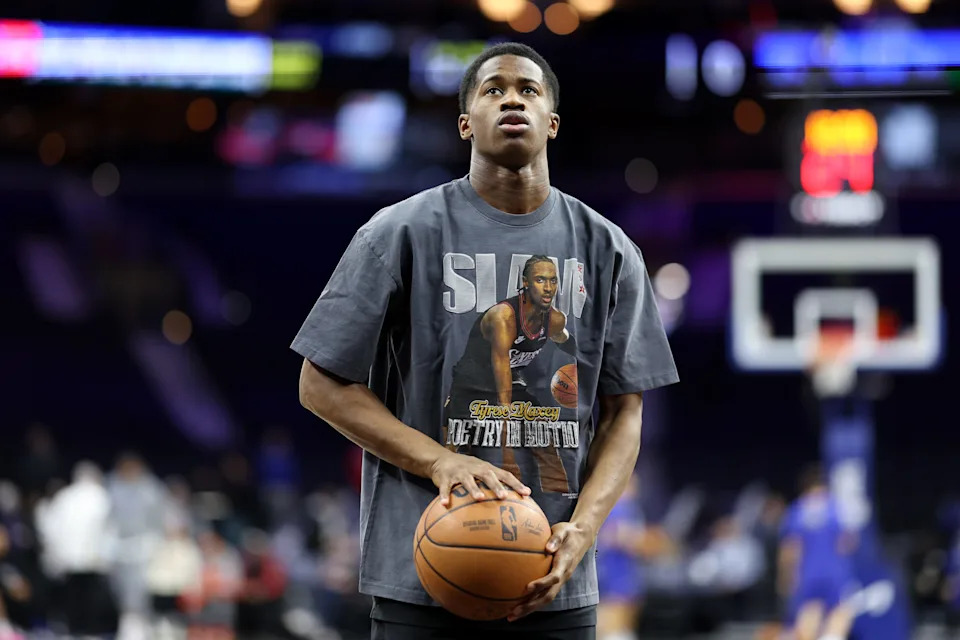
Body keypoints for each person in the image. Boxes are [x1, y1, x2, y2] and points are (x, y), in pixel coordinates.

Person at [293, 41, 679, 640]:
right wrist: (440, 460)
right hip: (425, 575)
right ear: (466, 122)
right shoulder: (399, 232)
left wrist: (586, 527)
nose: (512, 100)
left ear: (551, 122)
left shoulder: (609, 249)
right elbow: (319, 384)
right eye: (493, 90)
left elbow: (625, 413)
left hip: (553, 575)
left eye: (528, 90)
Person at [778, 465, 858, 640]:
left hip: (808, 573)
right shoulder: (836, 508)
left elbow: (791, 548)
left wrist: (786, 577)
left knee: (809, 615)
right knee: (839, 614)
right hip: (836, 571)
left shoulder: (797, 510)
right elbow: (848, 542)